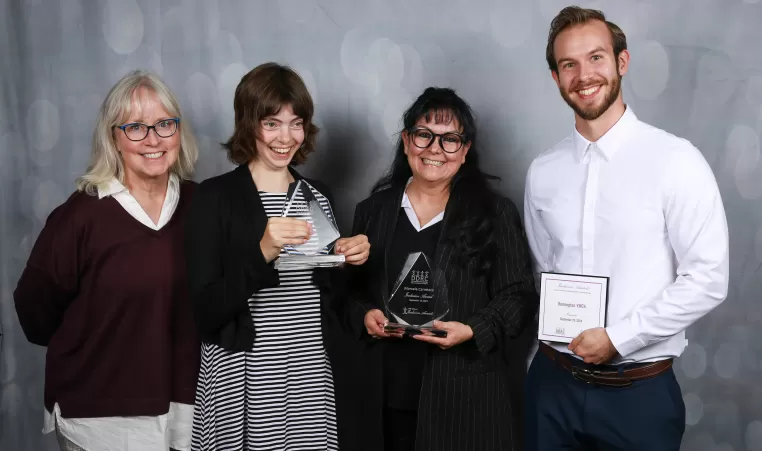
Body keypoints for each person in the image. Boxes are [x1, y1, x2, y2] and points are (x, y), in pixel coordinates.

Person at [523, 6, 730, 451]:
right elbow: (543, 271)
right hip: (551, 388)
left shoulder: (676, 161)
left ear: (622, 62)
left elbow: (708, 279)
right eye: (568, 64)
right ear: (556, 78)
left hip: (638, 398)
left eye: (596, 57)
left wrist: (619, 337)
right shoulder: (542, 171)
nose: (583, 75)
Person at [185, 62, 369, 451]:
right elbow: (205, 312)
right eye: (271, 123)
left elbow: (329, 298)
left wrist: (348, 257)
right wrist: (263, 252)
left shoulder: (317, 196)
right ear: (248, 124)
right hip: (243, 379)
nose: (286, 137)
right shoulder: (213, 199)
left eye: (296, 123)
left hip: (308, 375)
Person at [14, 70, 201, 451]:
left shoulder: (204, 206)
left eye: (165, 124)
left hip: (188, 411)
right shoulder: (81, 216)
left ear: (179, 132)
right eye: (135, 127)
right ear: (113, 138)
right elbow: (35, 312)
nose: (153, 139)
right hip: (101, 418)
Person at [346, 87, 538, 451]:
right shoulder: (372, 211)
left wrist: (473, 329)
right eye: (424, 135)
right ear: (406, 142)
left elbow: (519, 296)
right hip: (386, 394)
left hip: (465, 396)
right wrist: (364, 314)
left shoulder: (494, 213)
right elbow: (348, 292)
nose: (435, 149)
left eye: (450, 139)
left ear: (465, 152)